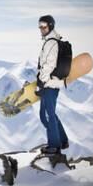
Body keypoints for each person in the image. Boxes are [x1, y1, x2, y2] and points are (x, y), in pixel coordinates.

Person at [36, 15, 69, 155]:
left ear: (50, 25)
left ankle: (54, 146)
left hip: (49, 83)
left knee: (47, 115)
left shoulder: (51, 42)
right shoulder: (51, 41)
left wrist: (42, 82)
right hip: (51, 82)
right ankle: (62, 140)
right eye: (39, 25)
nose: (41, 28)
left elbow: (49, 65)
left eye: (44, 25)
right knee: (46, 114)